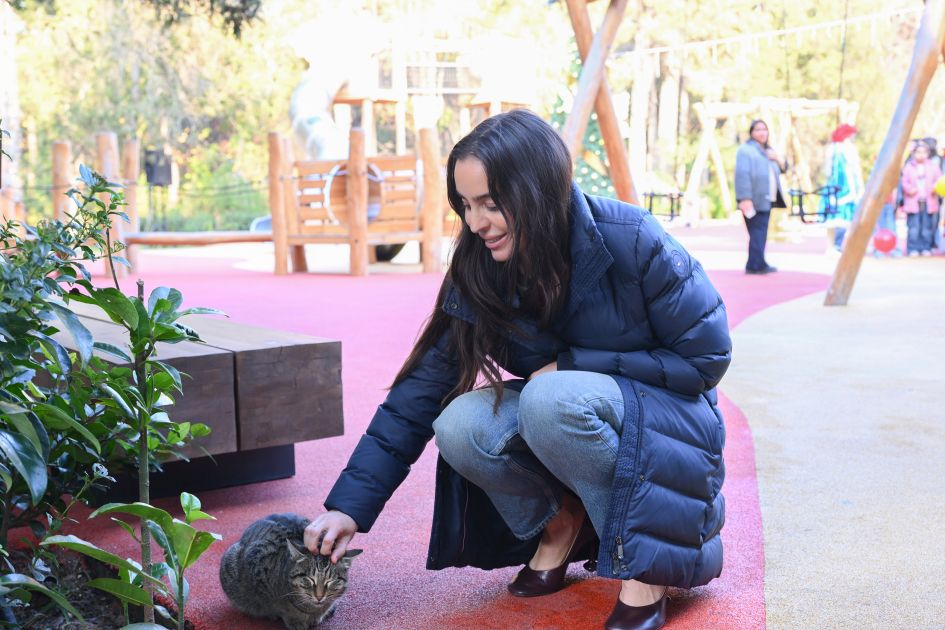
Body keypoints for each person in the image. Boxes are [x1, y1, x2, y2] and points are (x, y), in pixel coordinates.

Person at [303, 110, 732, 630]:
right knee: (459, 424)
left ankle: (644, 565)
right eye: (465, 205)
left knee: (549, 398)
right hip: (567, 409)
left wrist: (572, 366)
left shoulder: (631, 237)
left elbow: (706, 358)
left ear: (536, 191)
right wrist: (349, 507)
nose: (475, 223)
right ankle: (561, 524)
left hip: (669, 423)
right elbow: (420, 392)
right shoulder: (480, 266)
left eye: (490, 203)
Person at [734, 119, 785, 274]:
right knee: (757, 232)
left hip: (767, 199)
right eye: (758, 129)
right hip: (753, 199)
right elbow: (742, 175)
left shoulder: (769, 151)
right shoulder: (745, 150)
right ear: (751, 132)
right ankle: (756, 265)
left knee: (760, 232)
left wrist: (777, 158)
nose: (762, 132)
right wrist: (745, 198)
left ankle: (756, 263)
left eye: (764, 129)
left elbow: (785, 169)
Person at [823, 123, 864, 251]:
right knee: (843, 218)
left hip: (834, 188)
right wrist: (859, 187)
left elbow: (827, 172)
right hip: (846, 188)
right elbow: (855, 171)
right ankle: (838, 246)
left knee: (833, 219)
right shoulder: (848, 149)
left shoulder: (832, 149)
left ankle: (832, 246)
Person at [901, 139, 942, 256]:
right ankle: (913, 248)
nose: (921, 155)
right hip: (913, 201)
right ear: (914, 153)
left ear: (928, 153)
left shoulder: (933, 166)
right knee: (914, 227)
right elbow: (904, 182)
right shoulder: (909, 166)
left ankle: (925, 247)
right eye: (918, 152)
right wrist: (910, 190)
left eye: (924, 152)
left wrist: (935, 188)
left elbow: (939, 180)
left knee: (926, 227)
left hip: (929, 201)